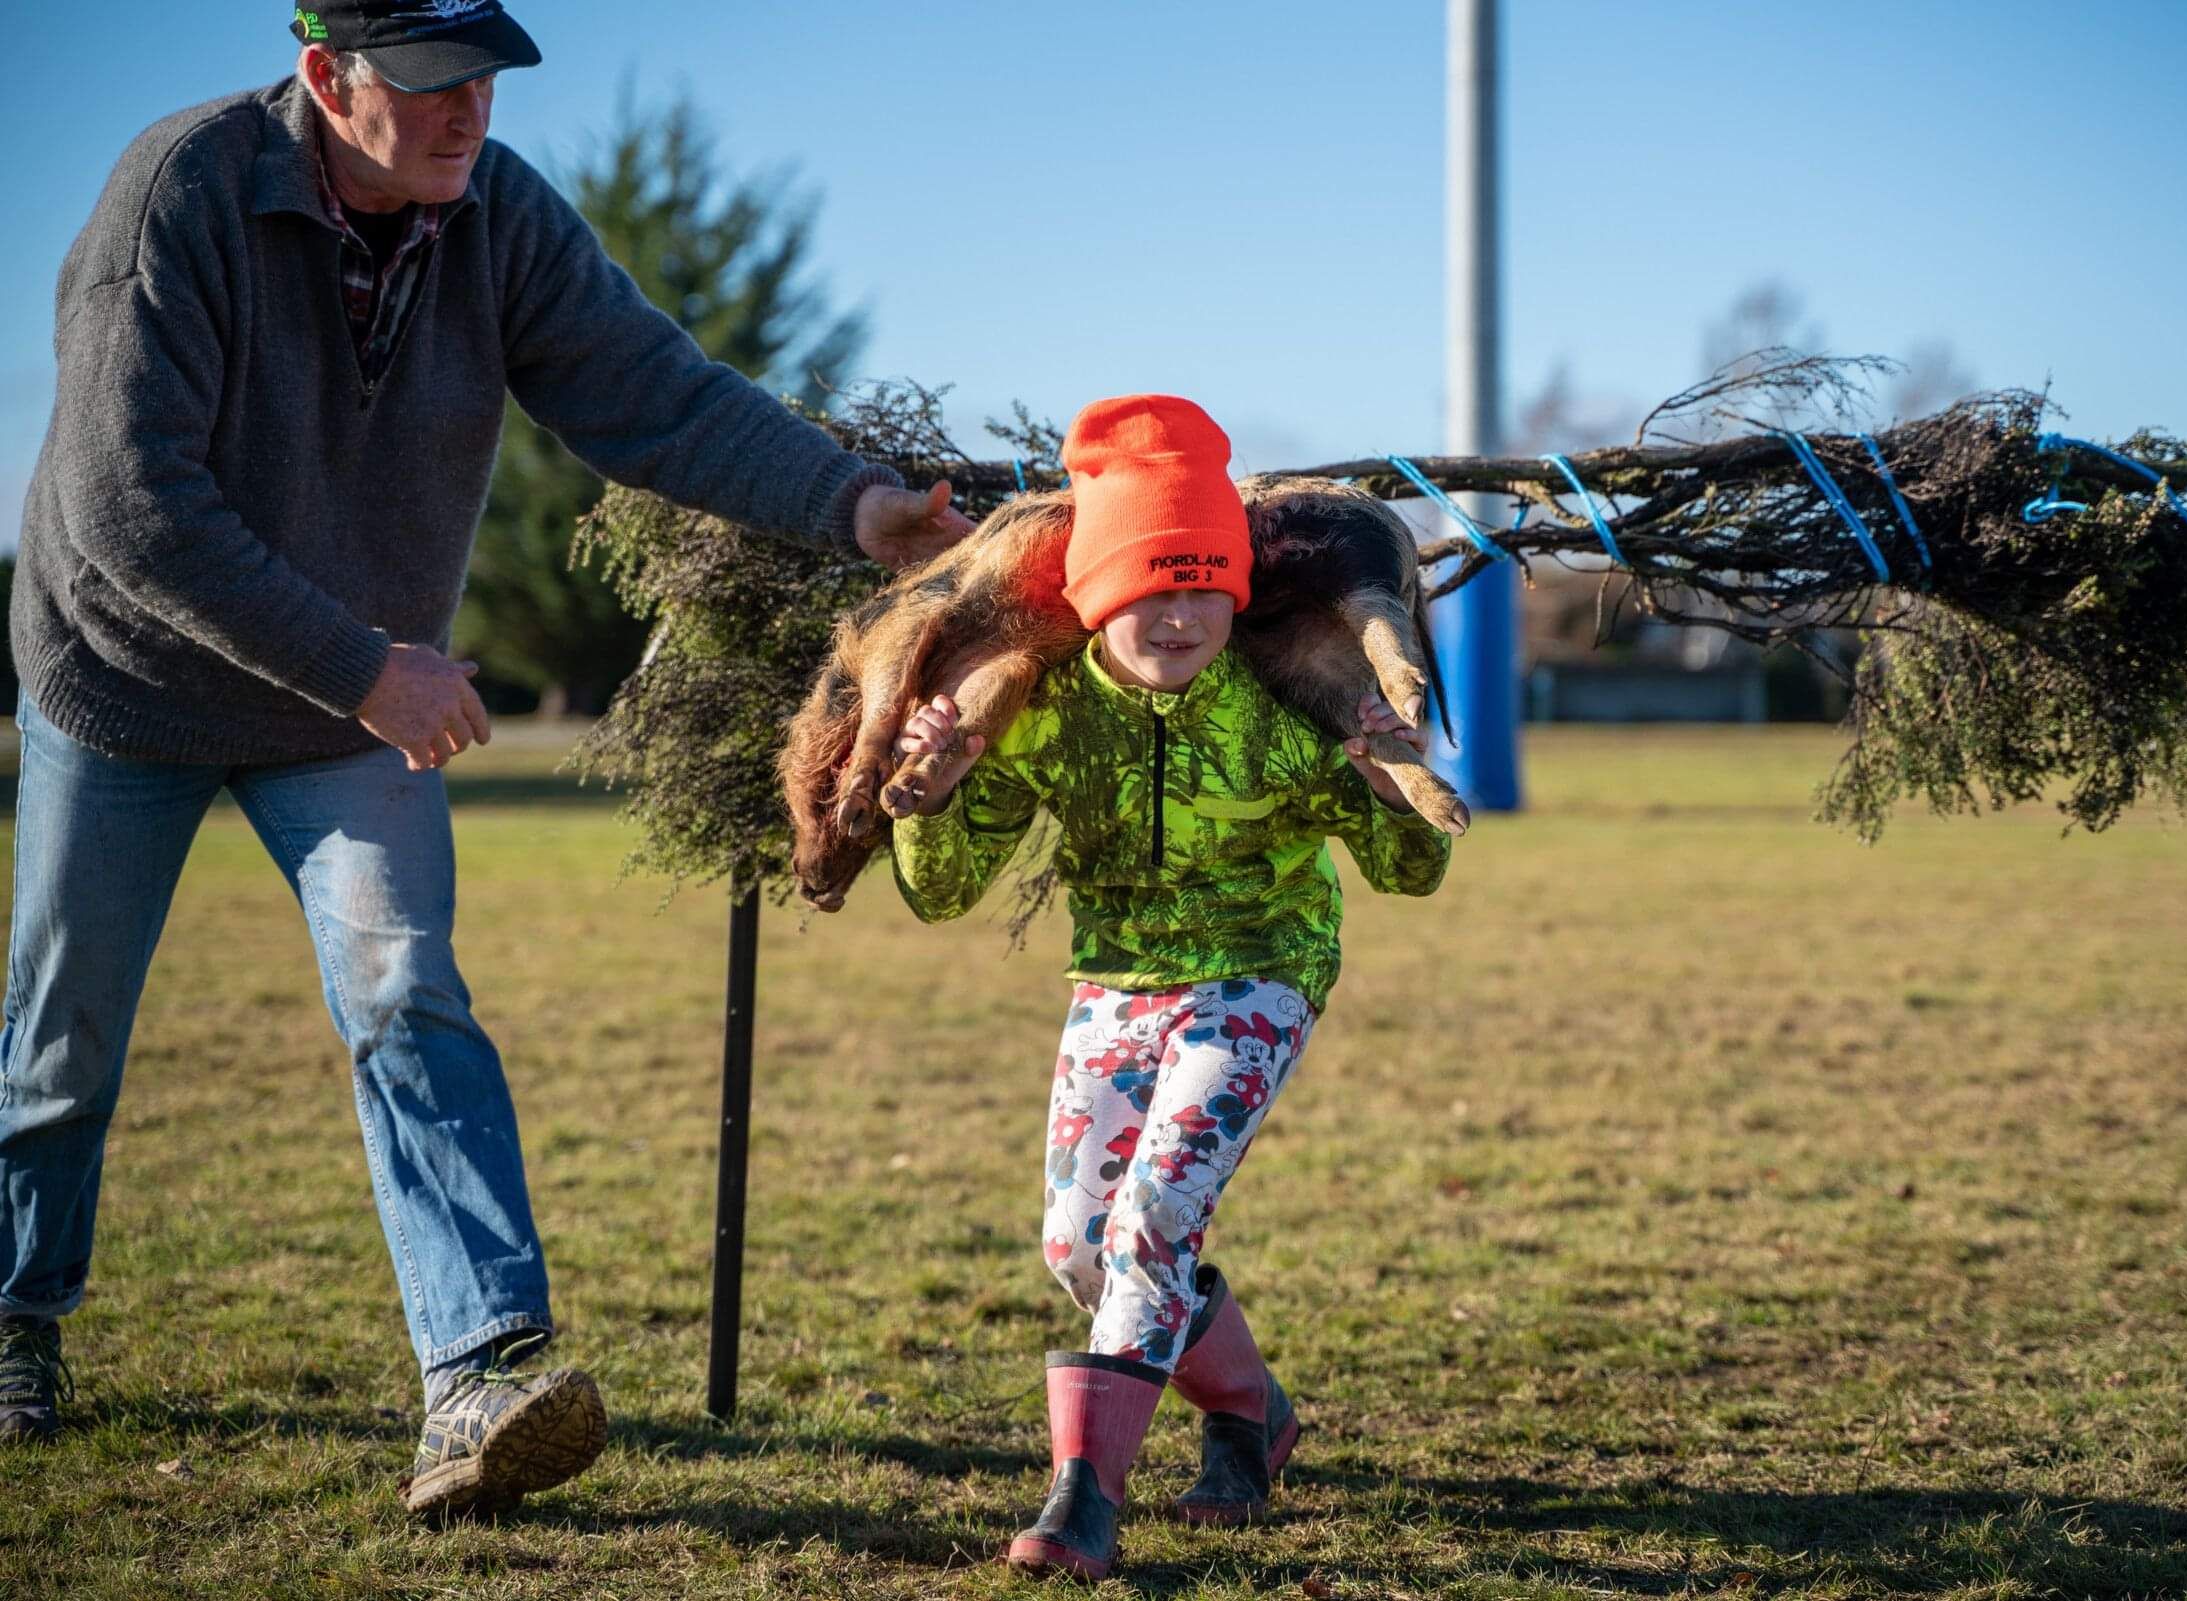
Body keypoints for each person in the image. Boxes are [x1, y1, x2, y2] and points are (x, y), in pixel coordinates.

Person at [0, 0, 969, 1519]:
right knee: (63, 1042)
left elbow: (655, 393)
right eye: (431, 83)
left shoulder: (496, 216)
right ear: (327, 77)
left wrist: (854, 508)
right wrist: (367, 665)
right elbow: (132, 508)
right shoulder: (177, 195)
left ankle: (479, 1379)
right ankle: (16, 1315)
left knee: (407, 991)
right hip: (133, 677)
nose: (469, 115)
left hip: (351, 705)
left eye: (488, 81)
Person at [887, 394, 1455, 1579]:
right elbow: (941, 891)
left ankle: (1084, 1492)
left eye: (1207, 585)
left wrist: (1380, 773)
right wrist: (929, 795)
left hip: (1260, 972)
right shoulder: (1042, 716)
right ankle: (1252, 1415)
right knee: (1078, 1248)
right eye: (1155, 584)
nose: (1184, 613)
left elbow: (1413, 871)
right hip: (1116, 985)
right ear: (1098, 591)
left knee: (1153, 1217)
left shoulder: (1283, 710)